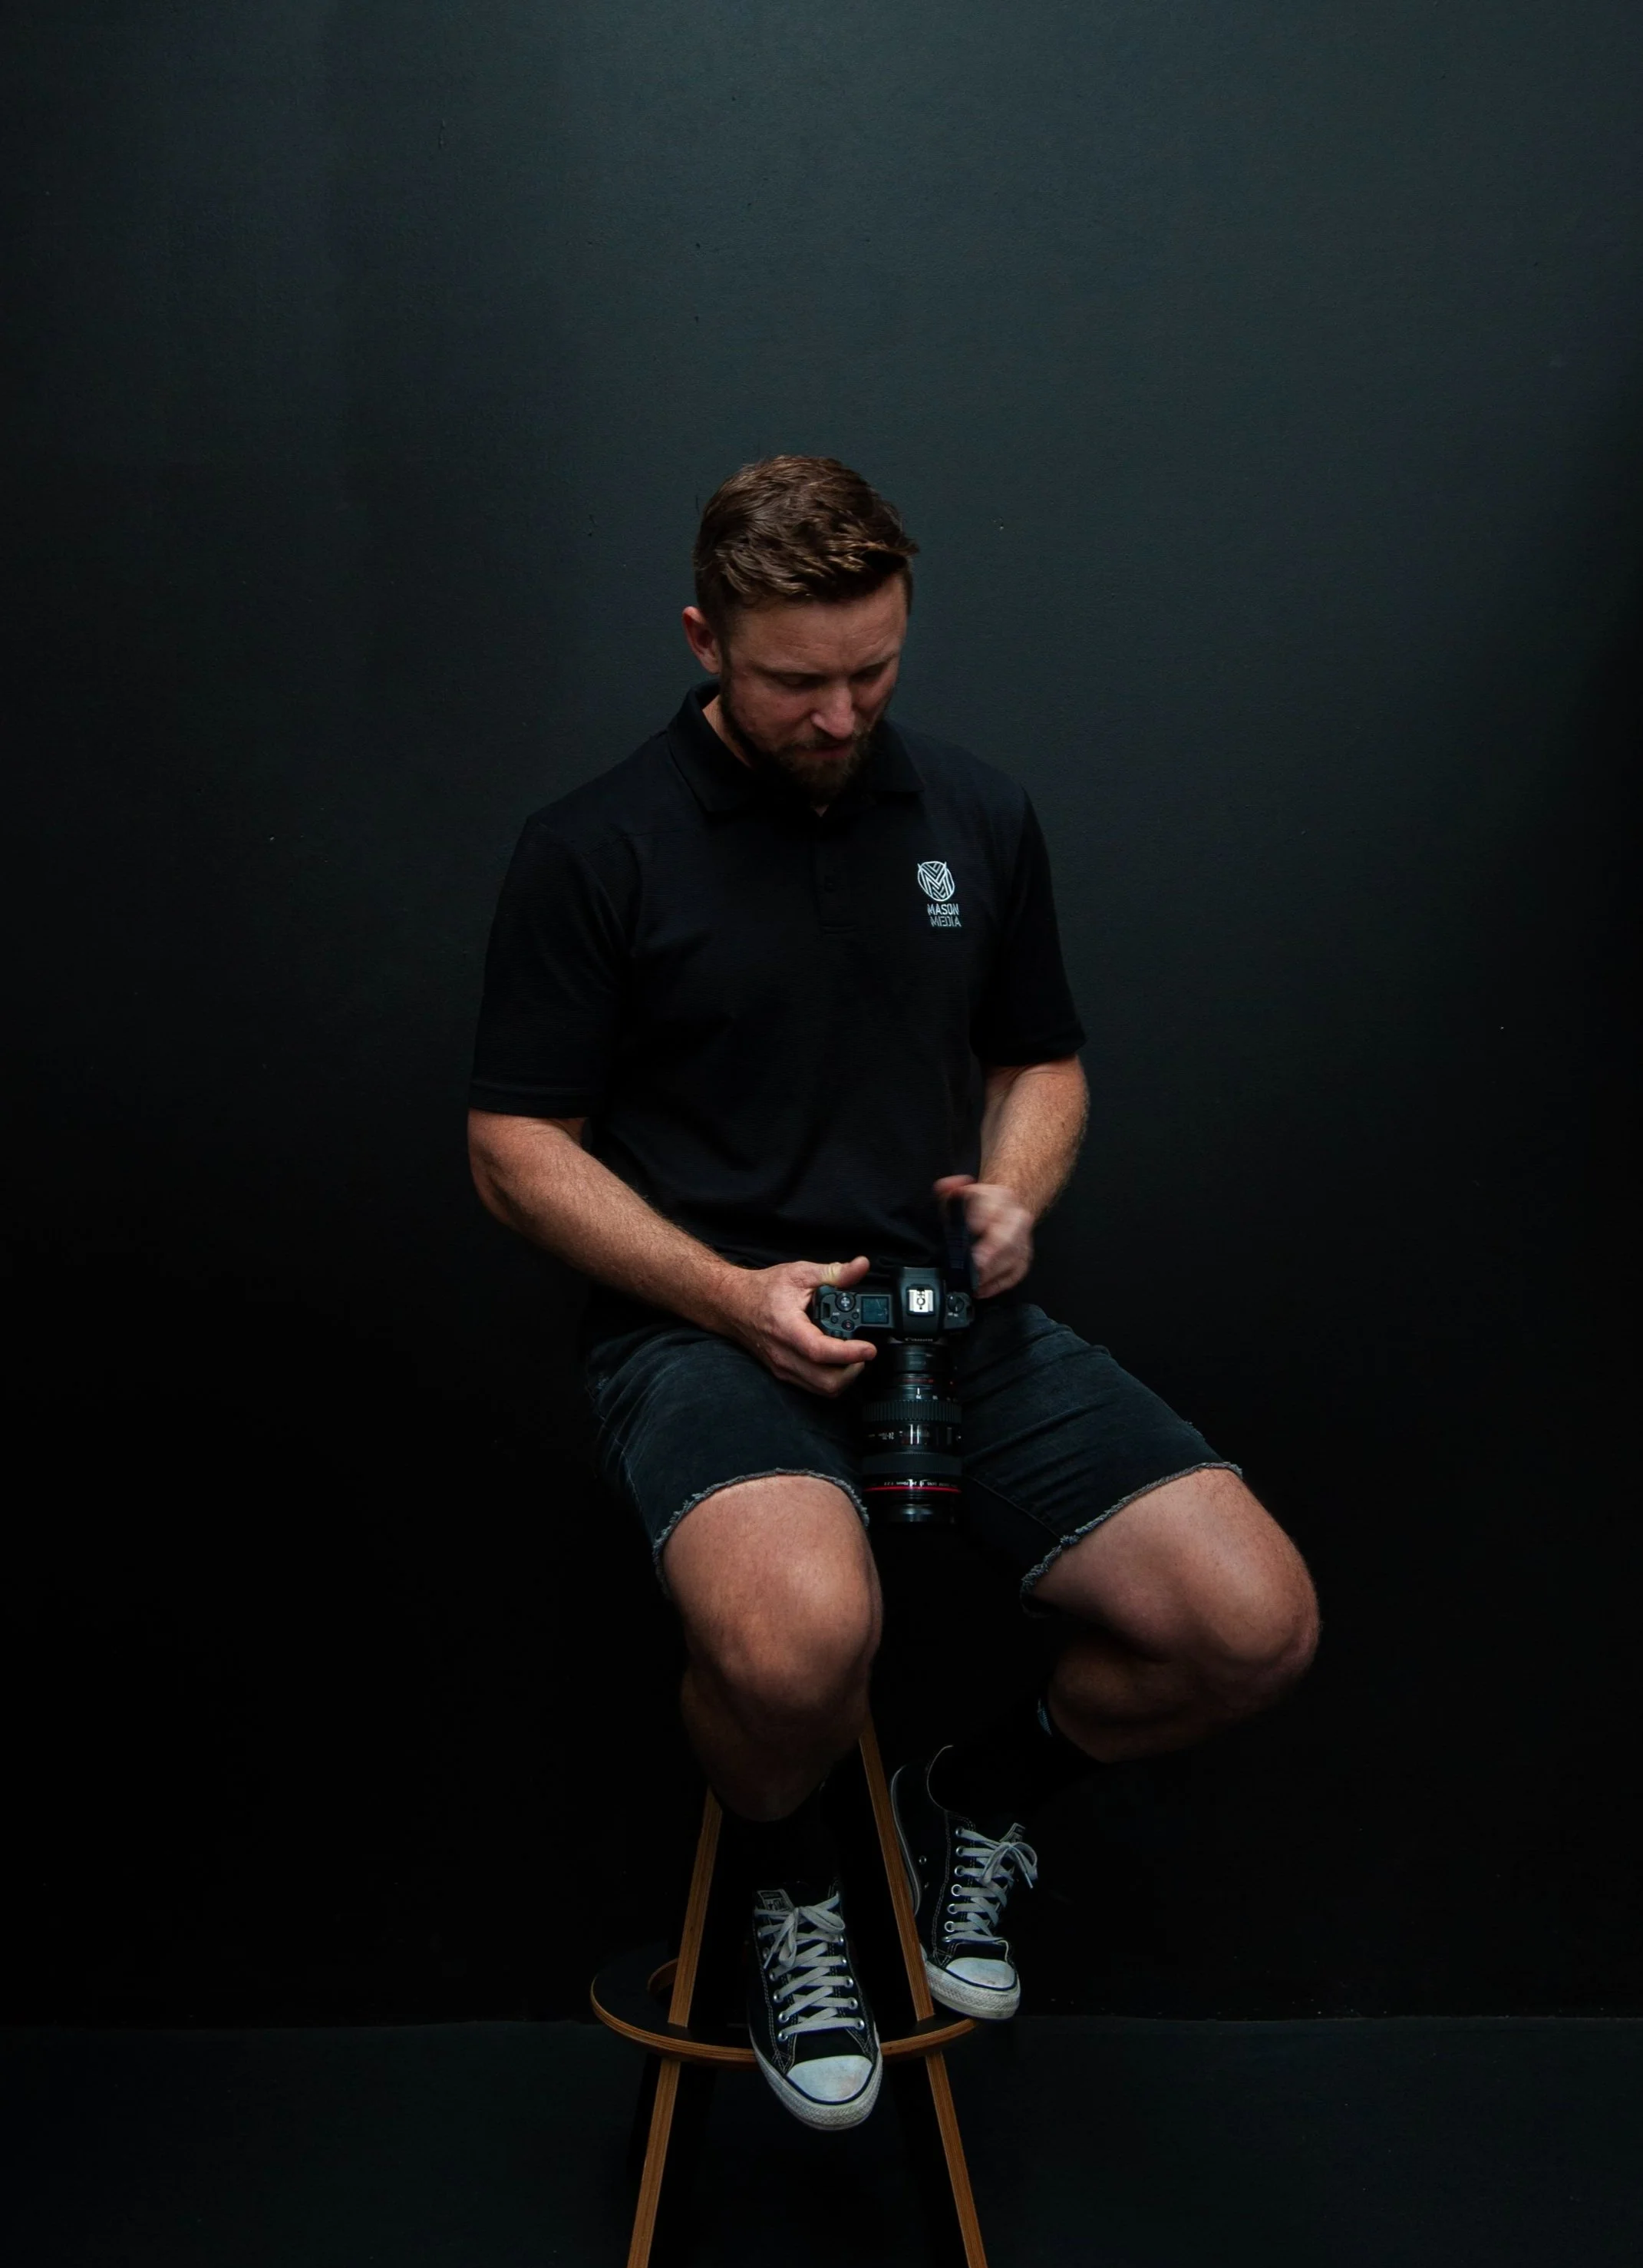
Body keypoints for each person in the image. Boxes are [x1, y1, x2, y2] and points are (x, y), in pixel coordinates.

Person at [468, 455, 1318, 2132]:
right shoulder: (591, 848)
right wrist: (724, 1296)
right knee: (799, 1648)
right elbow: (512, 1149)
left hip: (949, 1320)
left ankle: (974, 1797)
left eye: (875, 669)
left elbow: (1043, 1061)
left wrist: (1015, 1190)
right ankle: (797, 1891)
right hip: (701, 1331)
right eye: (798, 679)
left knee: (1250, 1626)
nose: (842, 712)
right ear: (707, 639)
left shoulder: (978, 815)